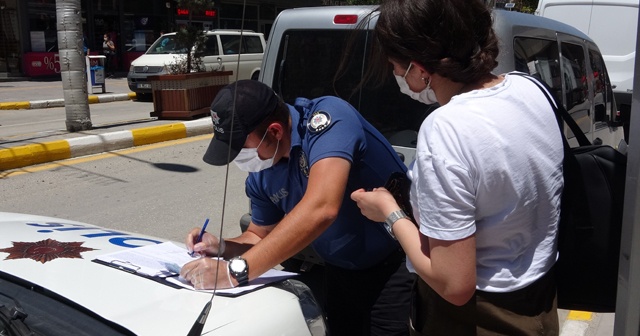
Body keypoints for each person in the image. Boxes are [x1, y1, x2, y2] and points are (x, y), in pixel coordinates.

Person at [349, 0, 564, 335]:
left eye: (394, 66)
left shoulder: (446, 129)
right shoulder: (529, 88)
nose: (394, 75)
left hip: (479, 317)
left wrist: (390, 213)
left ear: (419, 69)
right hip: (539, 300)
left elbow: (454, 284)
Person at [179, 80, 415, 336]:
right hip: (339, 271)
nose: (238, 158)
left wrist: (234, 272)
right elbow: (259, 235)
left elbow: (322, 207)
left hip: (395, 265)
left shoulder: (328, 120)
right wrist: (223, 247)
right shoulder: (262, 172)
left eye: (241, 147)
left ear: (275, 132)